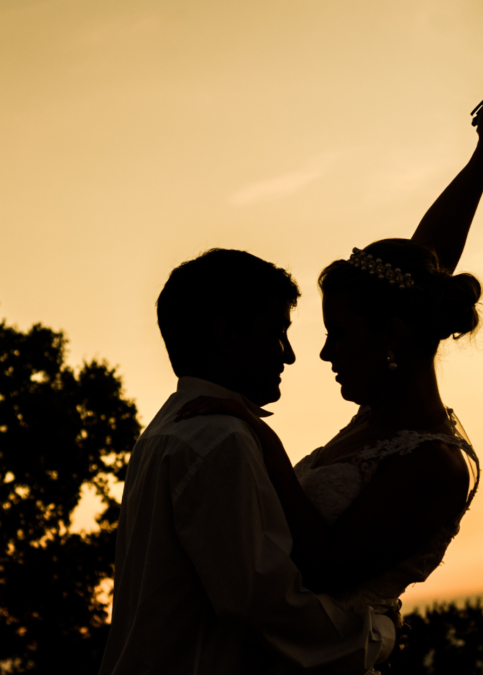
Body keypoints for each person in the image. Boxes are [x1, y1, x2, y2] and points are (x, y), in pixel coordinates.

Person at [173, 80, 483, 655]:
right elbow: (424, 260)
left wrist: (256, 433)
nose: (326, 354)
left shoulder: (435, 466)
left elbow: (326, 564)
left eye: (338, 334)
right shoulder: (375, 416)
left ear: (392, 336)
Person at [96, 248, 397, 674]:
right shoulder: (220, 439)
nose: (289, 355)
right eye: (276, 331)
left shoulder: (163, 432)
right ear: (227, 334)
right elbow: (263, 604)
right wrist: (378, 637)